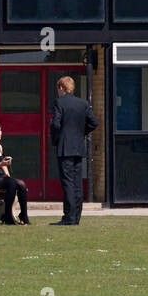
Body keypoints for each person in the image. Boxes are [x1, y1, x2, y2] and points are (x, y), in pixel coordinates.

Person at [50, 75, 98, 226]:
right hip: (78, 147)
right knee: (77, 183)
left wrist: (57, 137)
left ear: (61, 88)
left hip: (65, 148)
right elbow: (94, 123)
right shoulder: (83, 103)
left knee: (68, 183)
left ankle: (69, 217)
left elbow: (56, 124)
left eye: (58, 88)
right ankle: (76, 216)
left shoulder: (59, 102)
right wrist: (80, 133)